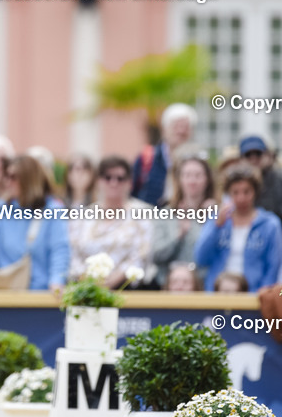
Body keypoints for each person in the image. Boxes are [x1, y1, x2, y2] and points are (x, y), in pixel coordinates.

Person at [0, 156, 70, 292]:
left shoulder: (53, 209)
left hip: (42, 295)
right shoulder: (1, 208)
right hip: (6, 293)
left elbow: (60, 249)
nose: (7, 181)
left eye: (13, 176)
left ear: (30, 179)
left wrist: (57, 281)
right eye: (7, 176)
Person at [194, 164, 282, 292]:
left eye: (246, 191)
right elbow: (201, 258)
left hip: (253, 294)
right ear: (228, 194)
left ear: (255, 192)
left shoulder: (270, 224)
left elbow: (273, 266)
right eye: (235, 192)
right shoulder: (218, 218)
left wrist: (264, 293)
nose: (241, 198)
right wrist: (216, 227)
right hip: (218, 291)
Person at [68, 156, 152, 288]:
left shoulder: (141, 215)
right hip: (86, 287)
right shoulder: (82, 217)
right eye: (108, 178)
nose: (114, 183)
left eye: (120, 178)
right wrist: (86, 277)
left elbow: (143, 254)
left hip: (126, 289)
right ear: (98, 182)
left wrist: (118, 276)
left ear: (129, 183)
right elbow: (72, 252)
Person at [150, 153, 217, 287]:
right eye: (187, 175)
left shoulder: (217, 214)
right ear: (179, 180)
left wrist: (213, 222)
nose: (192, 181)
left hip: (205, 286)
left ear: (207, 179)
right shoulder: (166, 213)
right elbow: (156, 256)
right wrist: (179, 234)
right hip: (170, 287)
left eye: (198, 176)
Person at [131, 103, 197, 207]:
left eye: (186, 127)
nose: (181, 131)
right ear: (164, 129)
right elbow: (130, 192)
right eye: (176, 126)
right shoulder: (147, 158)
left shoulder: (197, 161)